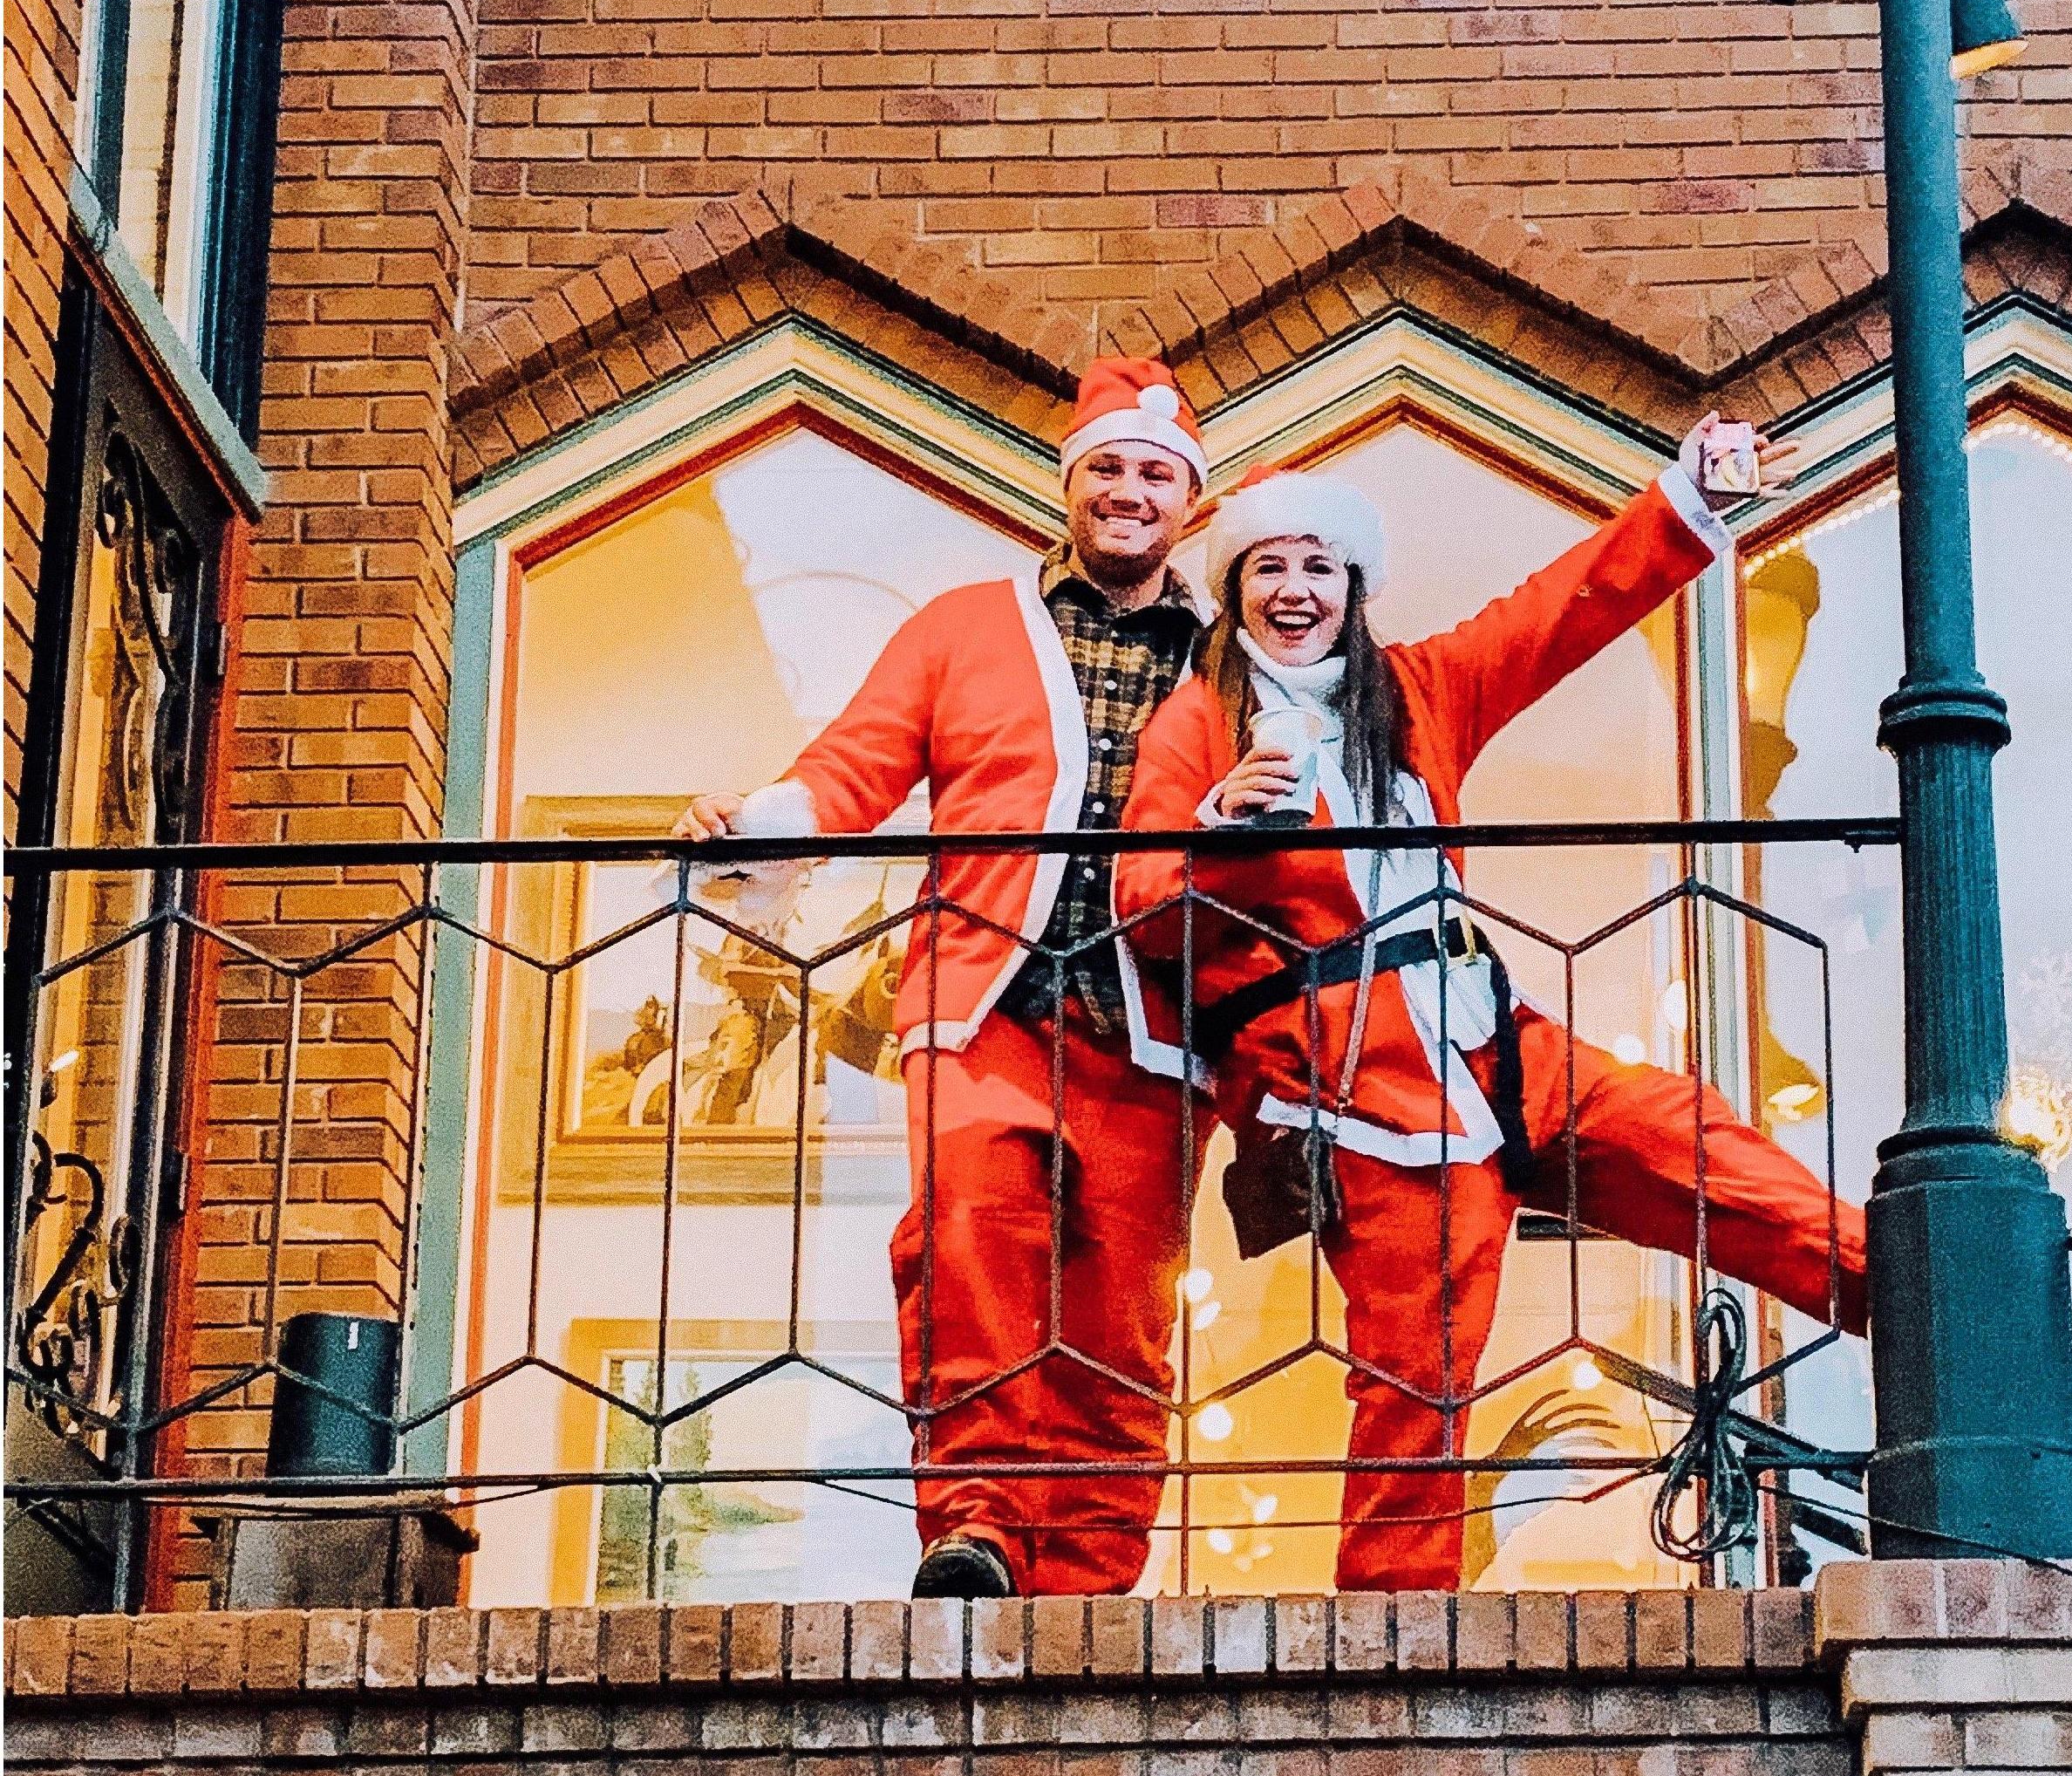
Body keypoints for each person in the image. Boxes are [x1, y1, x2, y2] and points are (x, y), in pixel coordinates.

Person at [1117, 422, 1870, 1592]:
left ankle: (1931, 1309)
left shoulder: (1418, 688)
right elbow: (1145, 907)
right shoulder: (1196, 724)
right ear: (1235, 591)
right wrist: (1223, 831)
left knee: (1693, 1139)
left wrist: (1686, 498)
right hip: (1349, 1085)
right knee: (1423, 1366)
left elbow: (1556, 613)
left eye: (1319, 566)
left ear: (1353, 586)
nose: (1296, 588)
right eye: (1270, 567)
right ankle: (1388, 1638)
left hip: (1492, 1042)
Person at [675, 359, 1210, 1600]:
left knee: (1121, 1311)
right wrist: (757, 821)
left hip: (1161, 1026)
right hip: (983, 1003)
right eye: (1109, 471)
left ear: (1193, 503)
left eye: (1154, 476)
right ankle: (976, 1526)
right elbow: (854, 764)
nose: (1129, 495)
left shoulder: (1234, 655)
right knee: (971, 1246)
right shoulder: (966, 627)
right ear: (1072, 489)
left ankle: (1090, 1577)